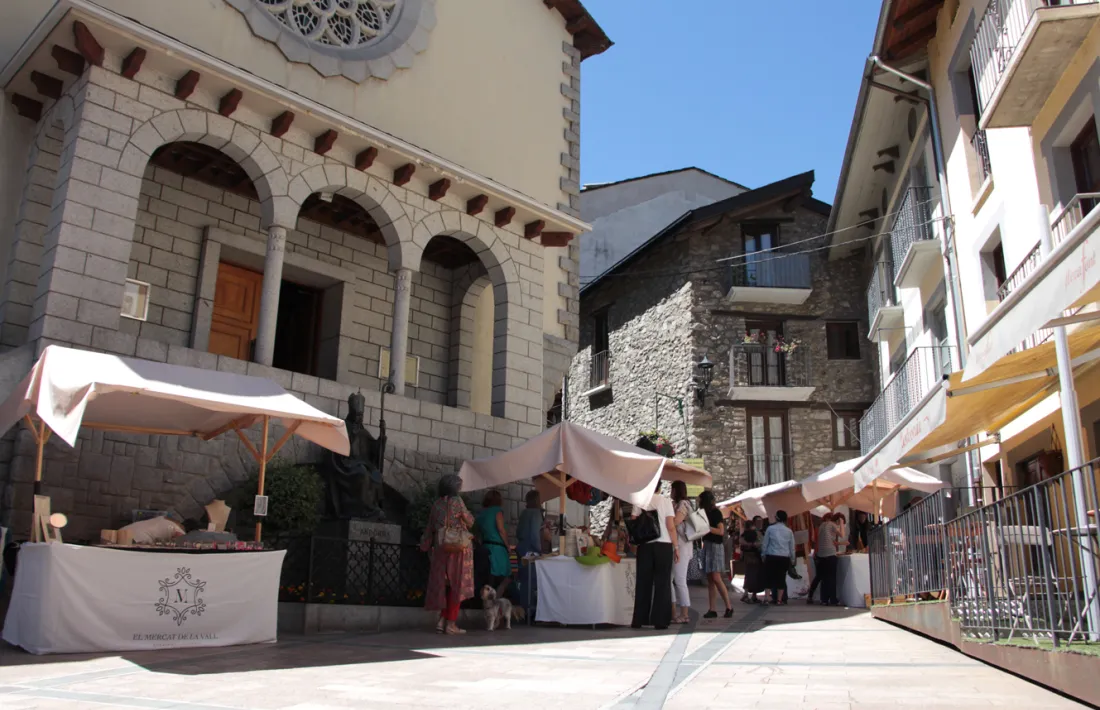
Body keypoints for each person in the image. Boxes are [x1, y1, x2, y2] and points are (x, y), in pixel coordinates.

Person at [420, 473, 475, 635]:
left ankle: (441, 621)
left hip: (440, 549)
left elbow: (429, 528)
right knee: (457, 586)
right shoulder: (458, 501)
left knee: (444, 587)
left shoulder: (436, 504)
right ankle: (451, 624)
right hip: (458, 550)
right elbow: (470, 521)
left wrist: (424, 546)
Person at [631, 480, 678, 630]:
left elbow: (634, 521)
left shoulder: (639, 500)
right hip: (664, 544)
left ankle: (639, 619)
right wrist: (676, 547)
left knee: (643, 582)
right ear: (659, 487)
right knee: (662, 583)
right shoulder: (665, 501)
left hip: (645, 545)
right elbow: (671, 526)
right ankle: (660, 620)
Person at [698, 491, 733, 618]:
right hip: (707, 545)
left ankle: (729, 607)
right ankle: (712, 609)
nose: (698, 502)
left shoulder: (716, 513)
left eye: (700, 500)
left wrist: (707, 528)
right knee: (710, 579)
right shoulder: (703, 513)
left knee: (716, 577)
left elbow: (721, 531)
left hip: (715, 546)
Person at [474, 489, 512, 598]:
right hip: (498, 549)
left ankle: (487, 601)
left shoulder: (481, 514)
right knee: (506, 578)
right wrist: (508, 546)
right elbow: (501, 530)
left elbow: (477, 534)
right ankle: (496, 600)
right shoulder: (497, 511)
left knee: (488, 579)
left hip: (485, 547)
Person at [670, 481, 694, 624]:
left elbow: (675, 522)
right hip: (677, 545)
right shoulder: (676, 504)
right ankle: (673, 612)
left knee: (680, 579)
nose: (670, 492)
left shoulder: (683, 505)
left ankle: (684, 613)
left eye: (672, 489)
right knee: (670, 579)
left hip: (682, 545)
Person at [761, 510, 795, 606]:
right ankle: (779, 600)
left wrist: (763, 555)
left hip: (771, 556)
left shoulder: (770, 529)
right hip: (784, 557)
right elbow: (792, 547)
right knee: (781, 578)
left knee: (768, 577)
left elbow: (765, 544)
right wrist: (792, 559)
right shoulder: (789, 531)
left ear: (776, 518)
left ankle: (766, 598)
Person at [809, 513, 844, 606]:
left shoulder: (822, 526)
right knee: (831, 578)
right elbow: (842, 535)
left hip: (821, 555)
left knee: (824, 578)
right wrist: (841, 524)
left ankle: (824, 600)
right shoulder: (832, 524)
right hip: (830, 554)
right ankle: (833, 600)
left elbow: (827, 540)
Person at [806, 513, 832, 603]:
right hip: (820, 554)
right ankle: (818, 596)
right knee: (821, 576)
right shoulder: (822, 529)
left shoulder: (819, 528)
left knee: (819, 576)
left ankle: (812, 595)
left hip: (818, 554)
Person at [739, 524, 765, 603]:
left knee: (751, 575)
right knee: (753, 575)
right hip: (754, 557)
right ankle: (749, 595)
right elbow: (760, 544)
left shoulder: (744, 534)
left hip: (749, 557)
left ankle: (750, 595)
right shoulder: (756, 533)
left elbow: (741, 542)